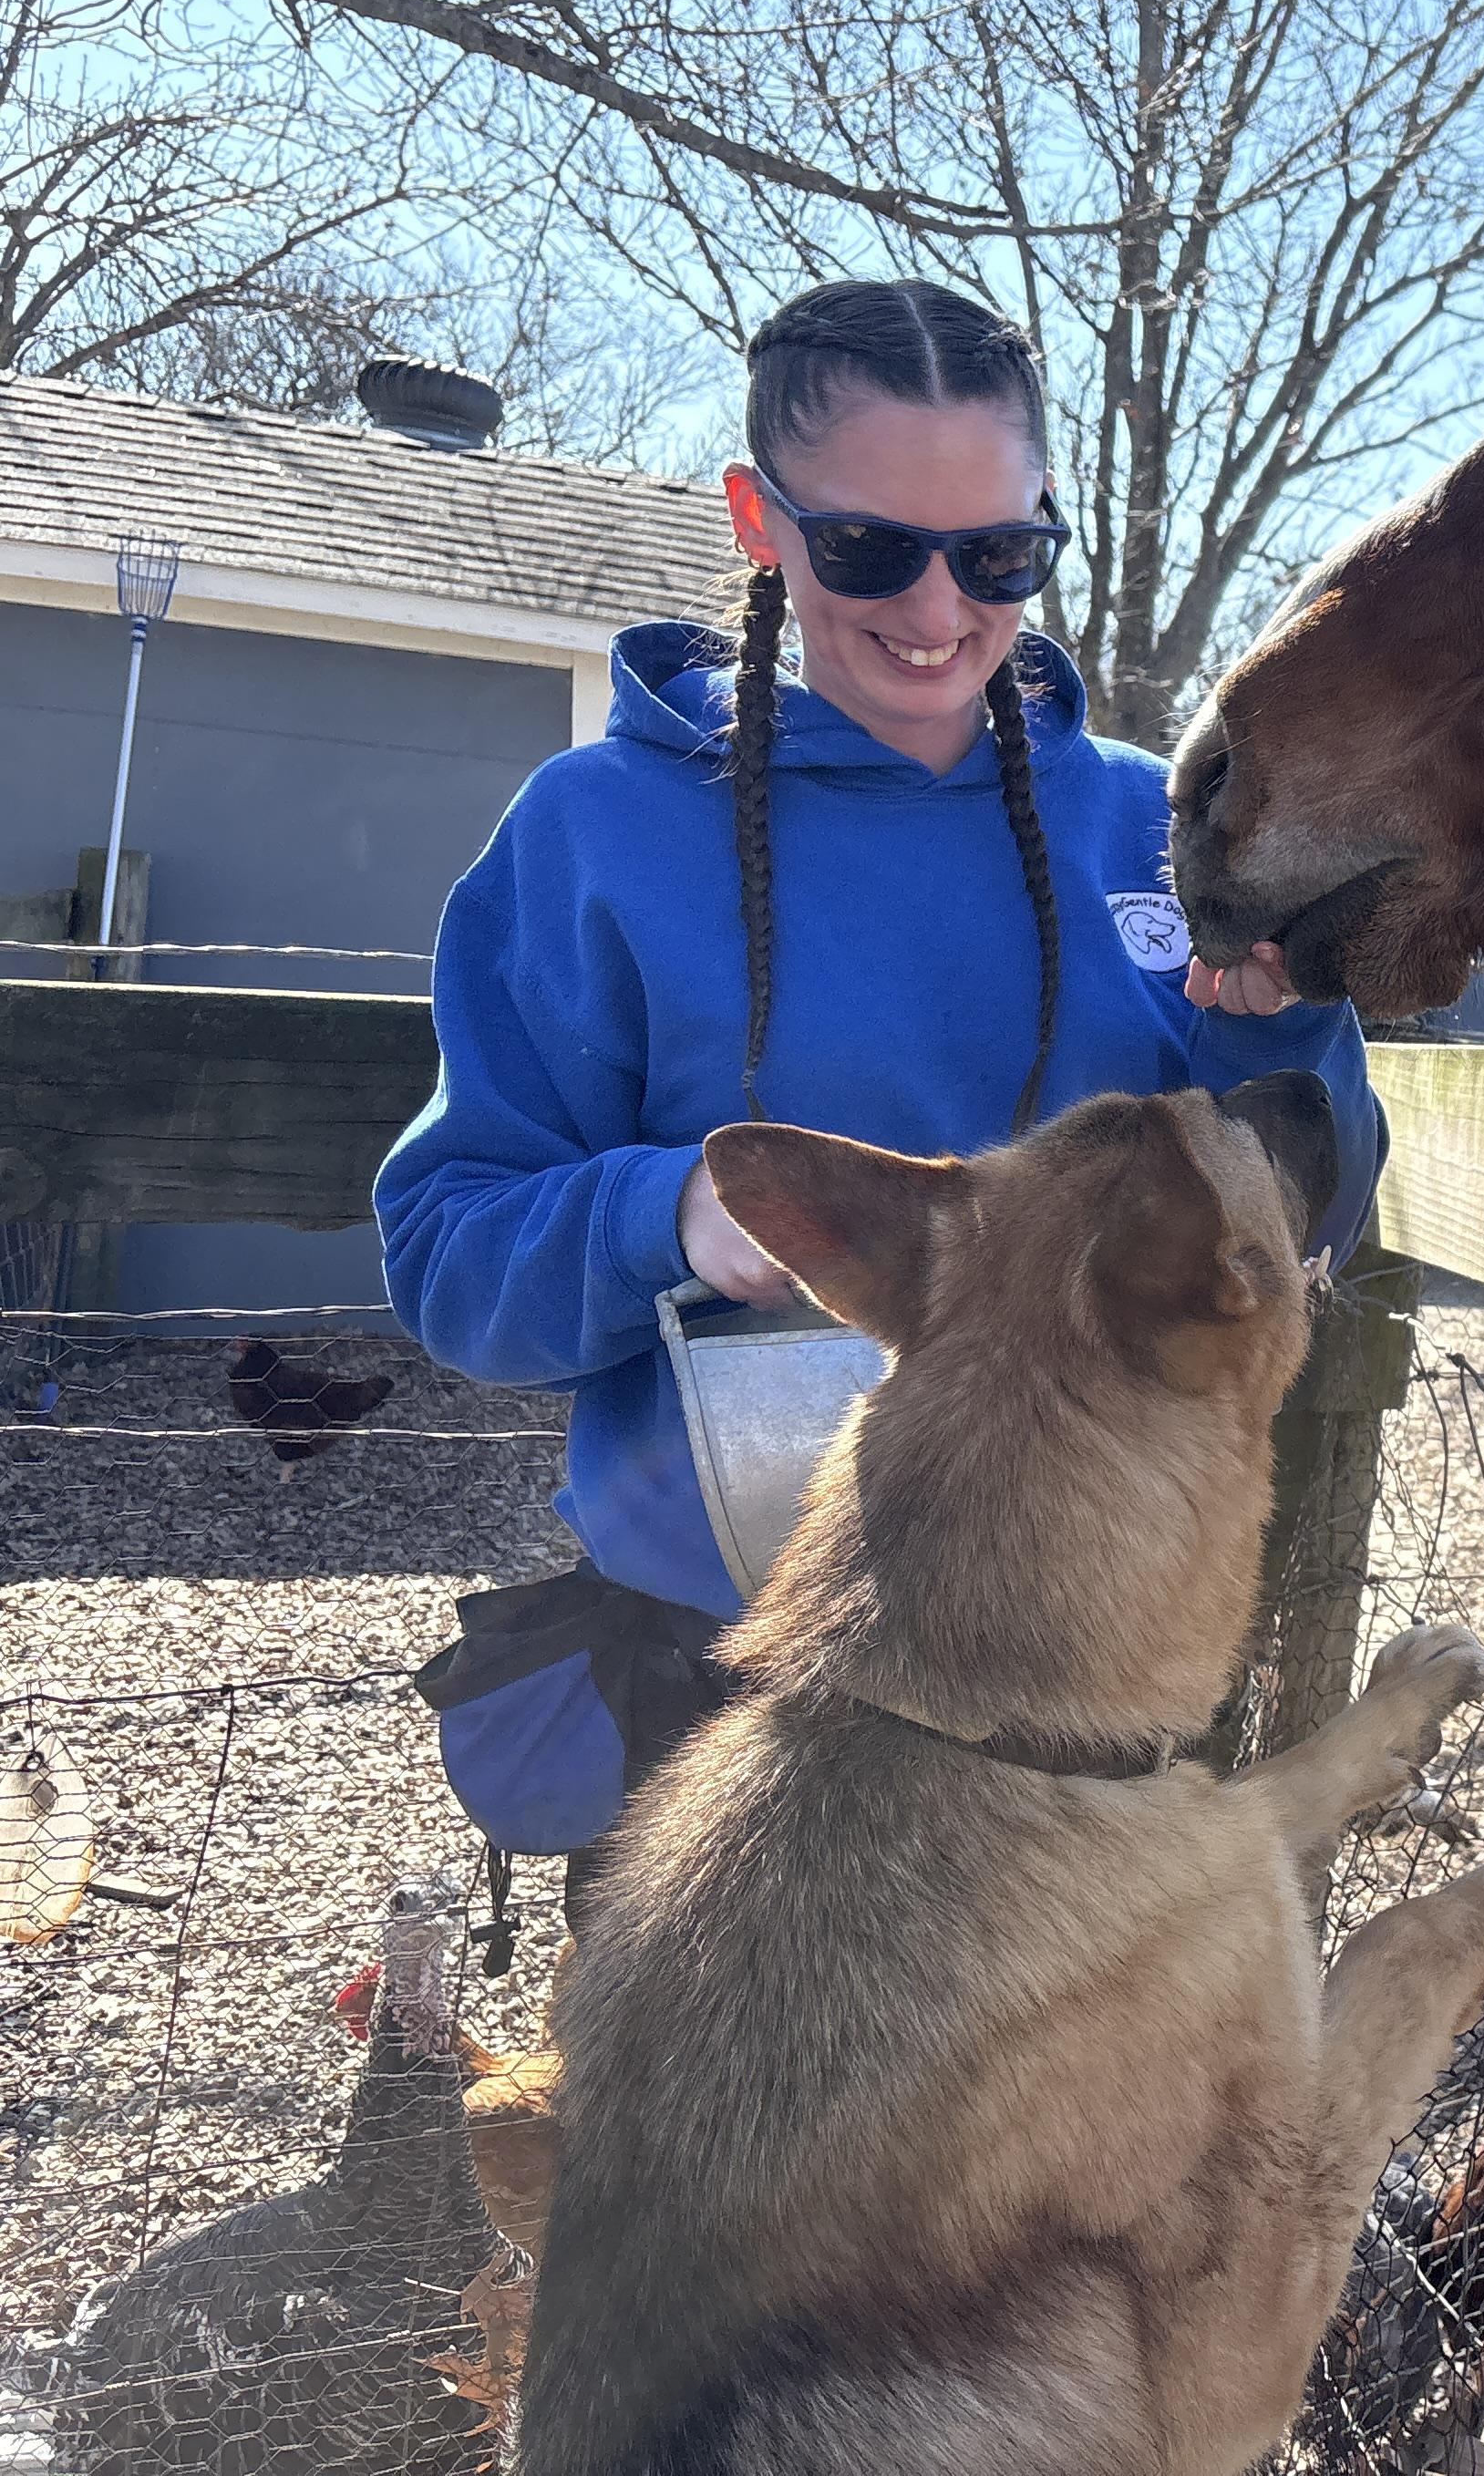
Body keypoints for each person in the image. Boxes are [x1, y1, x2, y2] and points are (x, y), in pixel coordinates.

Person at [377, 279, 1379, 1917]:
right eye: (870, 552)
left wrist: (1274, 1038)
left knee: (1071, 2172)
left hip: (1103, 1687)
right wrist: (672, 1215)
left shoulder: (1151, 821)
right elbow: (450, 1260)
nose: (938, 607)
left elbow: (1313, 1207)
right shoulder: (595, 833)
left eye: (999, 557)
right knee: (723, 2174)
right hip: (729, 1688)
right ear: (758, 521)